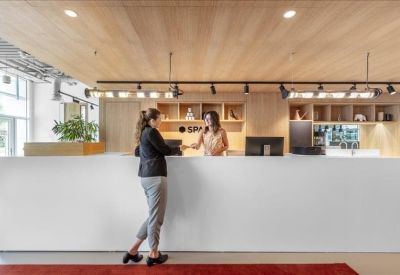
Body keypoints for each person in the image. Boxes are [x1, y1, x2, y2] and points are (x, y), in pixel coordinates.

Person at [122, 108, 185, 266]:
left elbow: (137, 152)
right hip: (156, 177)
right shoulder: (152, 132)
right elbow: (164, 150)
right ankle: (154, 253)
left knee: (153, 216)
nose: (161, 121)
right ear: (152, 120)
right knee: (157, 218)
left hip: (145, 177)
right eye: (160, 118)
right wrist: (179, 149)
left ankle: (133, 250)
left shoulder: (143, 132)